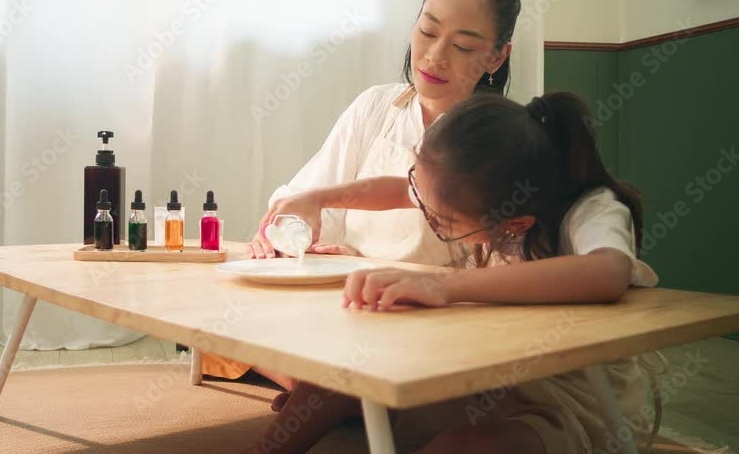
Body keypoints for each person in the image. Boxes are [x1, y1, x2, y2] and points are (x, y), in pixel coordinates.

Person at [246, 92, 659, 454]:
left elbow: (607, 271)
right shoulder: (475, 182)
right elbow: (394, 190)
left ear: (513, 224)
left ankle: (370, 408)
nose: (425, 217)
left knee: (467, 446)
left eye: (441, 220)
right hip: (487, 377)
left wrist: (445, 284)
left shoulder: (593, 208)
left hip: (567, 401)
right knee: (340, 372)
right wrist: (318, 197)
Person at [203, 0, 526, 385]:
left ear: (497, 56)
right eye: (427, 31)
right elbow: (306, 201)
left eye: (463, 47)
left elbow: (503, 276)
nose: (433, 56)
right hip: (351, 306)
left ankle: (336, 392)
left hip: (434, 323)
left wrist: (385, 274)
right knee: (219, 319)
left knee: (324, 372)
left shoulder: (507, 140)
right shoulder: (376, 108)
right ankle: (337, 392)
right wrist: (289, 236)